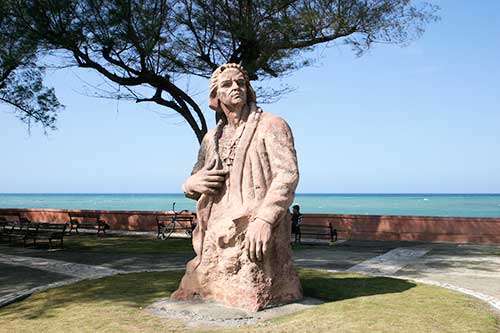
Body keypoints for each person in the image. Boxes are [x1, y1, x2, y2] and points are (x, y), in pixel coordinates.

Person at [171, 63, 302, 311]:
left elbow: (287, 175)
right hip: (216, 225)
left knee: (249, 277)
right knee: (198, 278)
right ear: (216, 95)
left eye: (240, 83)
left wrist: (264, 220)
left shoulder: (272, 125)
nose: (236, 88)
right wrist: (190, 184)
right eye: (227, 84)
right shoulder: (212, 138)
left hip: (254, 222)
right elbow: (195, 178)